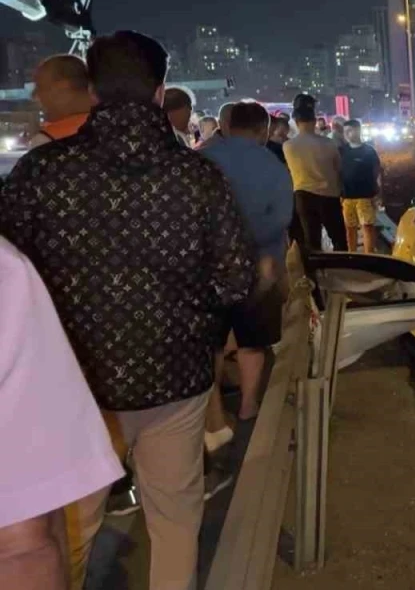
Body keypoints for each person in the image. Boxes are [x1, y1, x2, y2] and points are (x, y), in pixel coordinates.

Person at [0, 30, 257, 590]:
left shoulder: (41, 172)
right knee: (175, 517)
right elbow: (236, 279)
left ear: (92, 91)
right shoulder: (199, 176)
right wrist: (190, 316)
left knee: (68, 532)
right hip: (175, 377)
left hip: (74, 384)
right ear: (160, 91)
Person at [0, 236, 124, 590]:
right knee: (174, 505)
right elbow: (20, 543)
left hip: (86, 362)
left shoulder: (34, 193)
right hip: (160, 364)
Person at [201, 101, 293, 422]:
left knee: (212, 343)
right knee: (252, 341)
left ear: (227, 126)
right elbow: (281, 219)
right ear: (263, 130)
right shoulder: (272, 165)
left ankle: (213, 410)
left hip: (208, 266)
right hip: (258, 265)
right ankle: (248, 404)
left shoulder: (202, 159)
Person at [284, 94, 348, 252]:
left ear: (296, 122)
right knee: (339, 240)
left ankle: (316, 267)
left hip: (303, 197)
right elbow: (338, 168)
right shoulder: (329, 143)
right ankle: (344, 265)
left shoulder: (288, 146)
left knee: (312, 242)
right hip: (330, 196)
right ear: (314, 122)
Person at [27, 55, 94, 148]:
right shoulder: (111, 126)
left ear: (62, 89)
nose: (34, 96)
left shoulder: (46, 141)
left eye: (41, 87)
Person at [339, 120, 383, 253]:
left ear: (358, 130)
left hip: (365, 197)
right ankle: (352, 255)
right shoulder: (341, 151)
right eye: (345, 131)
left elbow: (377, 172)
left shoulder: (369, 151)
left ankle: (369, 256)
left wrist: (379, 194)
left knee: (367, 227)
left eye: (349, 131)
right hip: (347, 197)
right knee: (350, 228)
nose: (346, 134)